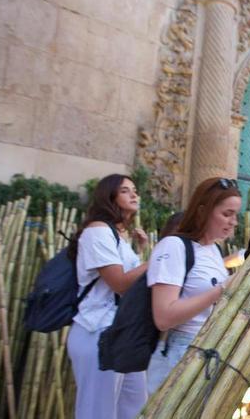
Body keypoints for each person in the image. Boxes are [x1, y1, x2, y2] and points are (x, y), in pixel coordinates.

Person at [145, 178, 239, 393]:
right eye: (227, 214)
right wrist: (222, 289)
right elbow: (163, 317)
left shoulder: (214, 251)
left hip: (210, 351)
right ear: (202, 210)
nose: (234, 222)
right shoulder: (173, 247)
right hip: (181, 353)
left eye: (236, 215)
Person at [67, 174, 149, 419]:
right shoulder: (98, 232)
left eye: (135, 190)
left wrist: (140, 252)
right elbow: (120, 284)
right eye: (125, 191)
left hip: (121, 332)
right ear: (109, 196)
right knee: (98, 412)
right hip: (97, 332)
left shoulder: (117, 235)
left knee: (134, 408)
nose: (134, 194)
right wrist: (158, 259)